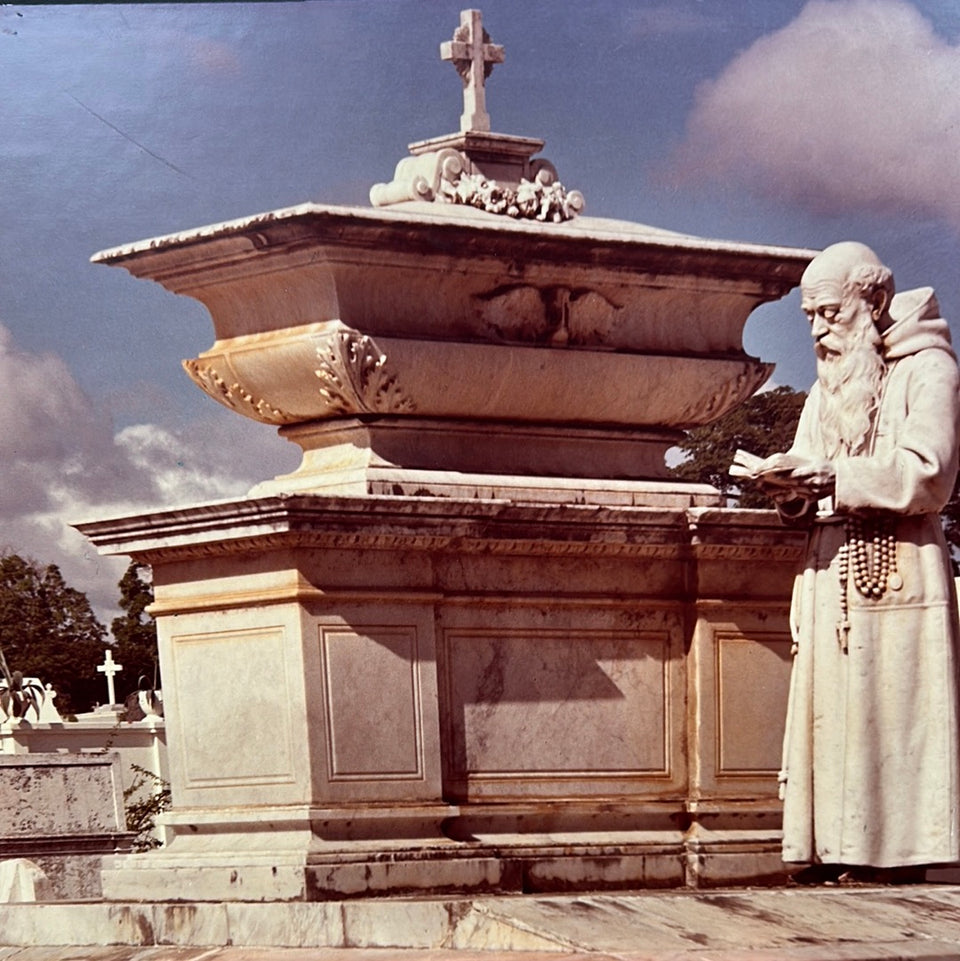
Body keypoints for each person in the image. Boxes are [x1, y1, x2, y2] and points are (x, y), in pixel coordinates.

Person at [750, 241, 960, 881]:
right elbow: (809, 472)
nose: (816, 330)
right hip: (828, 571)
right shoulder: (826, 389)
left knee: (891, 718)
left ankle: (892, 856)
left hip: (901, 567)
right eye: (809, 316)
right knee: (832, 714)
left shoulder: (928, 370)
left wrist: (836, 476)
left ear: (871, 302)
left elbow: (932, 472)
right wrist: (790, 492)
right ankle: (829, 847)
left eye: (828, 313)